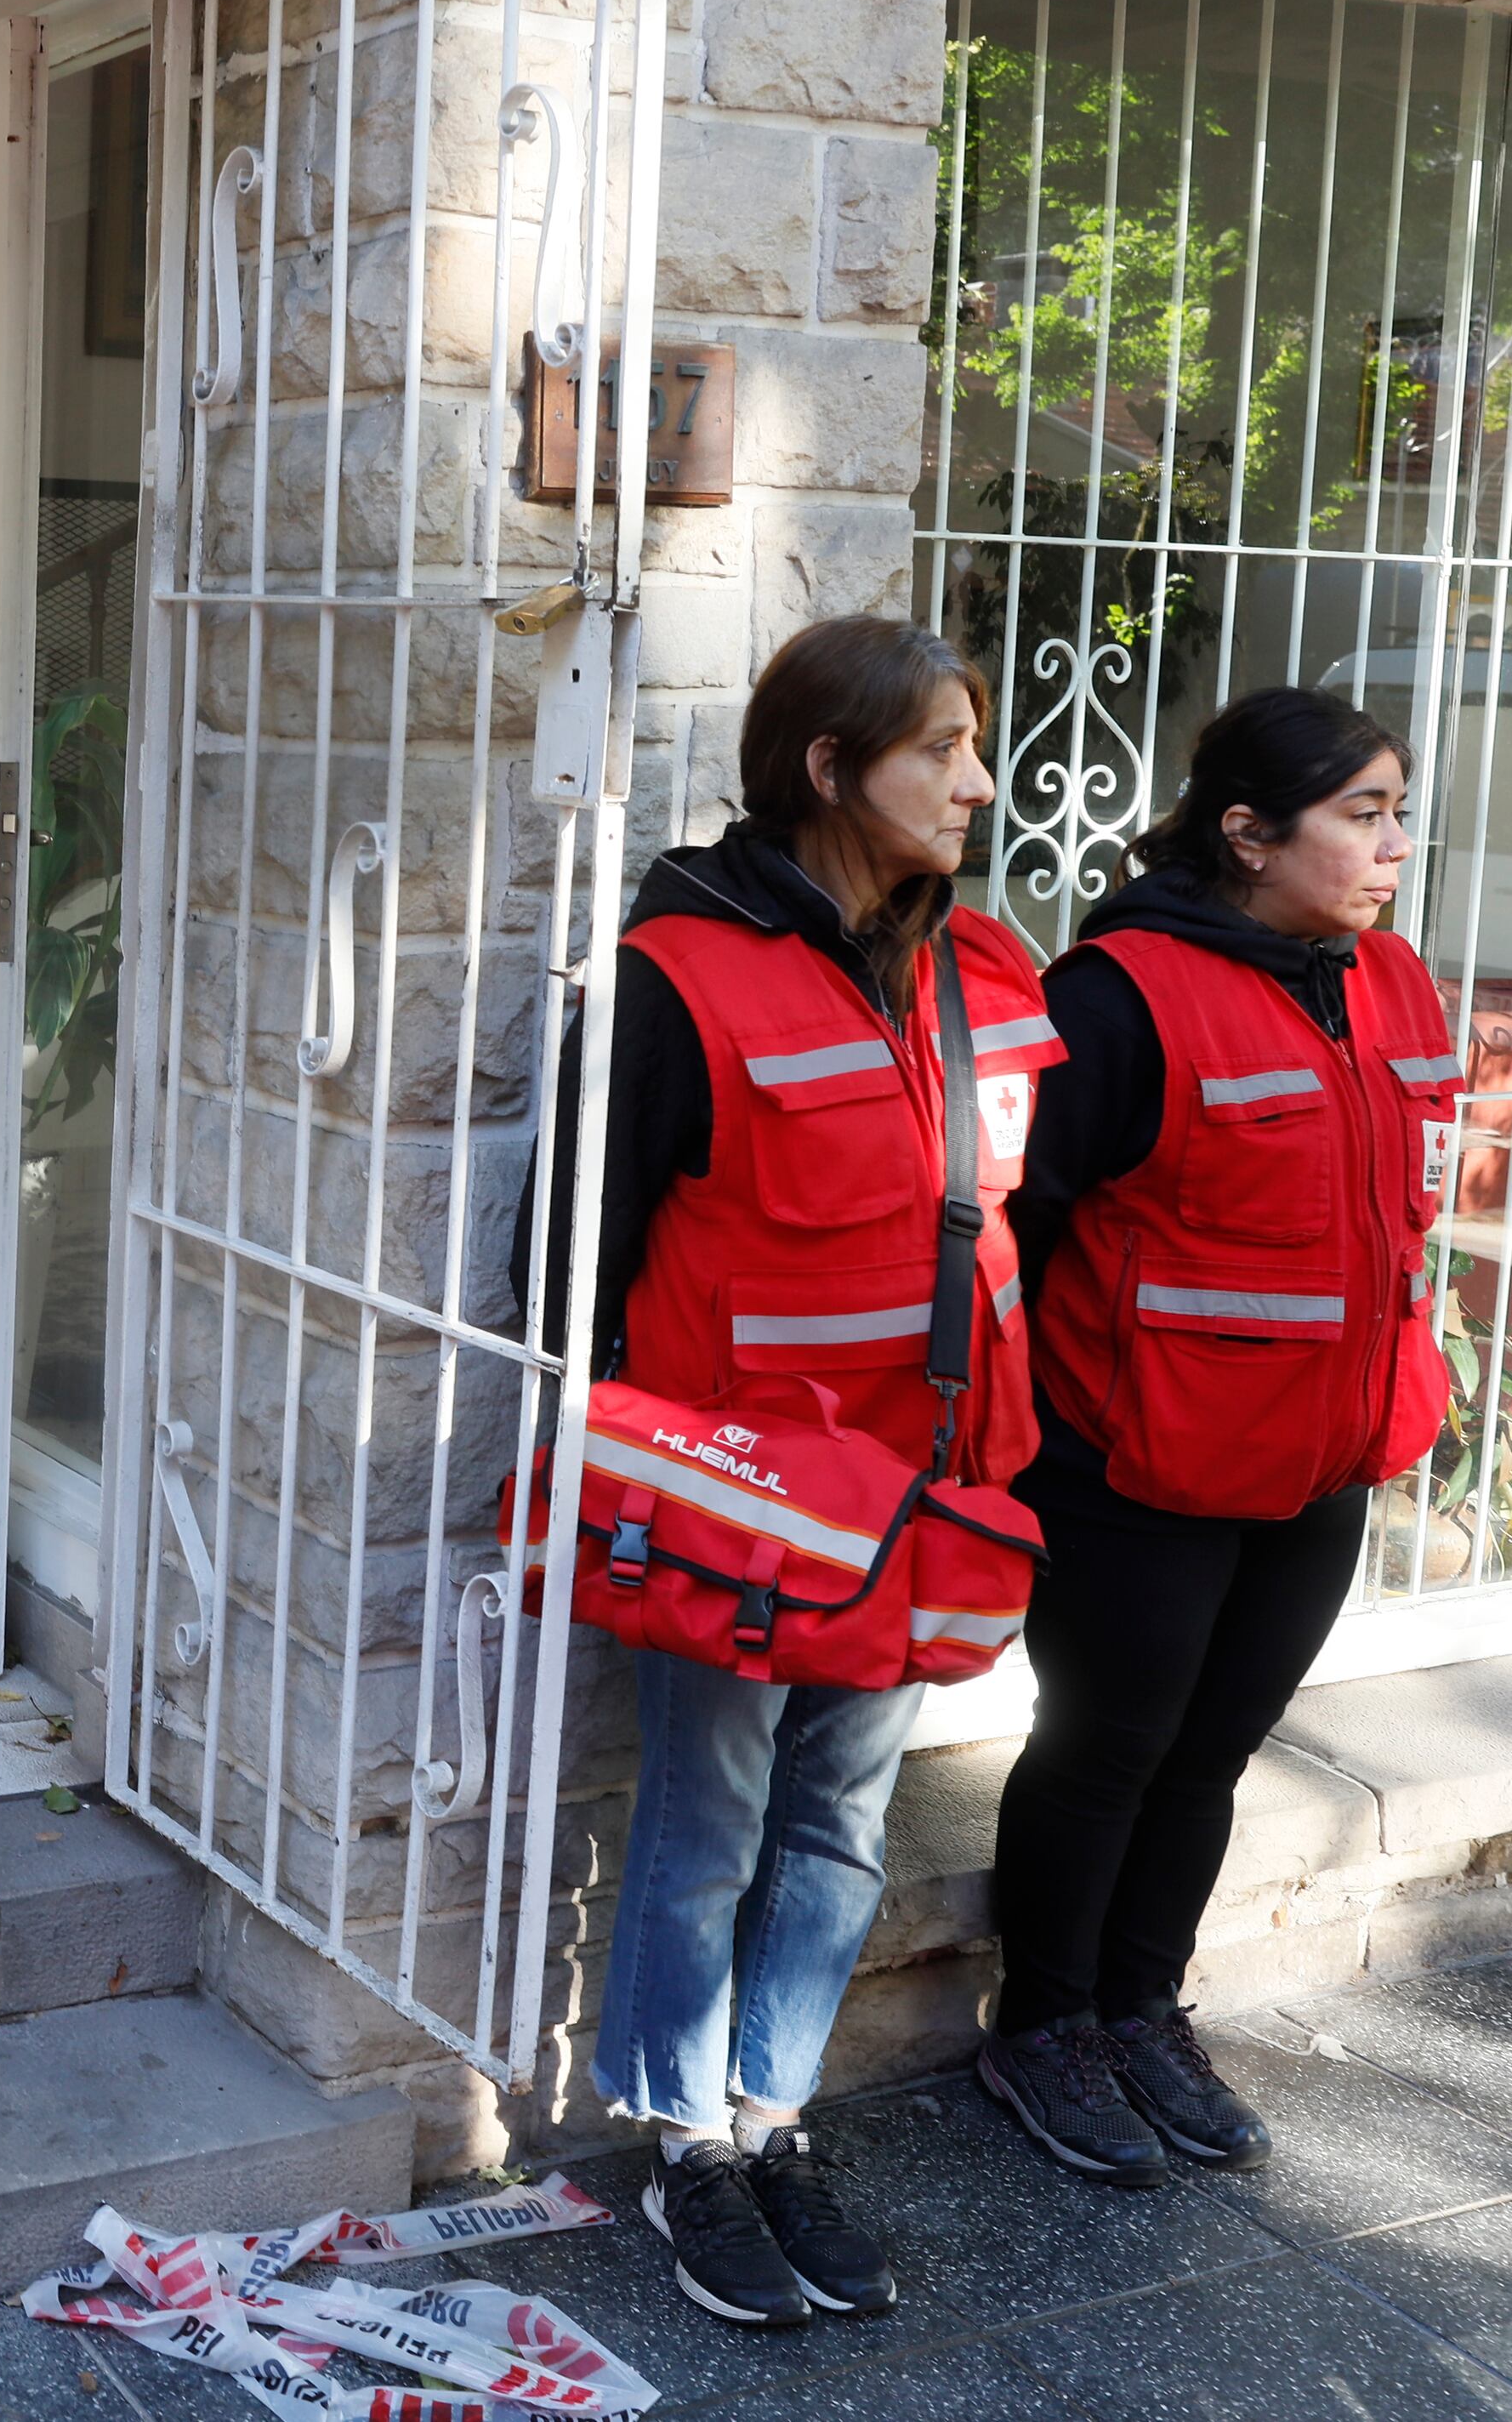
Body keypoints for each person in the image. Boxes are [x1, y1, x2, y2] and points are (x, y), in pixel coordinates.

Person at [523, 615, 1050, 2332]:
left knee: (838, 1820)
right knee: (707, 1818)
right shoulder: (674, 979)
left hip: (918, 1491)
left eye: (978, 744)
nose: (976, 781)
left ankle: (774, 2116)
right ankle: (682, 2139)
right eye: (940, 752)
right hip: (748, 1510)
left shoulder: (986, 970)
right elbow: (567, 1264)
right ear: (827, 769)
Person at [978, 687, 1443, 2185]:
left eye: (1396, 809)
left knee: (1214, 1748)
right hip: (1140, 1458)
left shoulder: (1391, 984)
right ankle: (1042, 2024)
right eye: (1360, 813)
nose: (1392, 844)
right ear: (1247, 833)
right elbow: (1023, 1225)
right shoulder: (1119, 991)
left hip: (1321, 1454)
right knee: (1107, 1744)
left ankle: (1139, 2005)